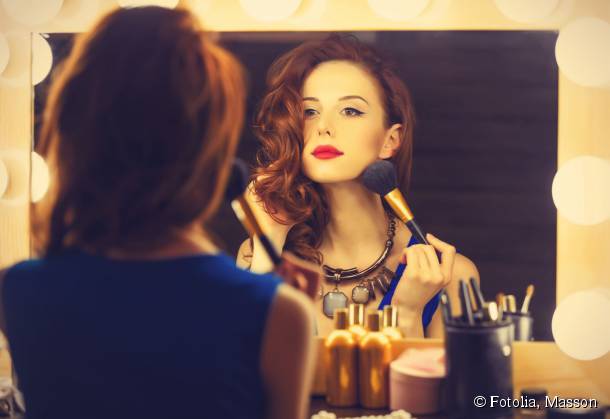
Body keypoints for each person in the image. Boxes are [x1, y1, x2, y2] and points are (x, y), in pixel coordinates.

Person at [0, 6, 316, 419]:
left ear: (72, 134)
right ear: (213, 155)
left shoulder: (16, 291)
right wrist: (286, 318)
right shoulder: (279, 314)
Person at [237, 35, 480, 337]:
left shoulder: (451, 276)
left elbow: (451, 374)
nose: (324, 127)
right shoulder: (257, 254)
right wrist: (269, 240)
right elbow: (240, 362)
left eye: (350, 111)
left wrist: (407, 313)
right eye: (309, 111)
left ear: (390, 140)